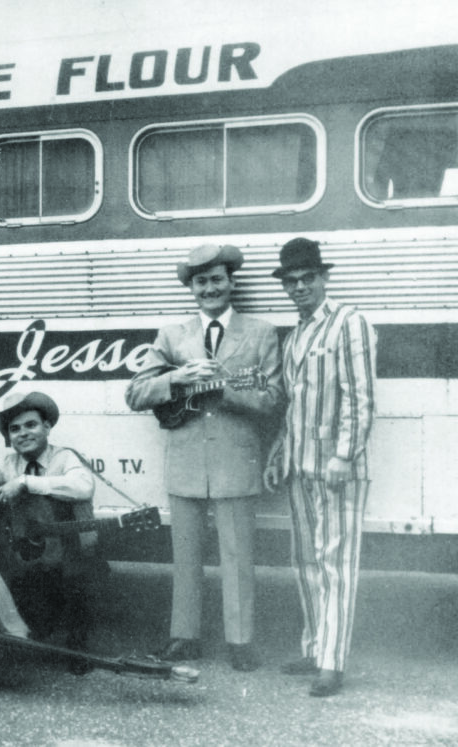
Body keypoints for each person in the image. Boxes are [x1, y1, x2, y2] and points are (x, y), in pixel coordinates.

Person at [125, 244, 284, 672]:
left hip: (236, 459)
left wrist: (223, 389)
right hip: (186, 460)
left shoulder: (261, 332)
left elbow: (271, 399)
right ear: (191, 289)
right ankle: (184, 637)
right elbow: (136, 393)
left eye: (217, 279)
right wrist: (178, 378)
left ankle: (241, 640)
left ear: (232, 282)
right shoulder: (172, 335)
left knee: (238, 555)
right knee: (185, 555)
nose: (209, 288)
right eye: (200, 282)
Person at [263, 237, 376, 697]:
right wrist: (278, 450)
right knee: (305, 562)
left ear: (323, 278)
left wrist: (343, 455)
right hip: (300, 467)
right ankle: (313, 649)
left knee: (337, 564)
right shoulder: (296, 335)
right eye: (290, 281)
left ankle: (333, 663)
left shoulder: (349, 323)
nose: (298, 287)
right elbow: (294, 407)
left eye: (306, 278)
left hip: (336, 468)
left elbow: (361, 398)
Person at [0, 390, 98, 661]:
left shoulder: (65, 457)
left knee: (76, 584)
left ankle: (78, 649)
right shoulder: (7, 463)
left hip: (72, 549)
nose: (23, 433)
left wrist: (27, 483)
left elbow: (83, 487)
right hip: (35, 550)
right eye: (14, 429)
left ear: (47, 427)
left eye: (31, 425)